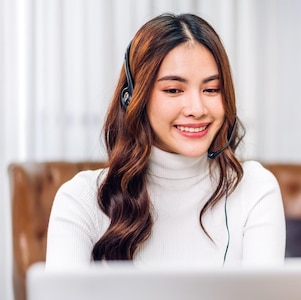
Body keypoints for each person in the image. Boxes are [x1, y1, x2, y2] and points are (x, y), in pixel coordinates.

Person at [46, 13, 286, 267]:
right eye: (174, 90)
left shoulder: (254, 189)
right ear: (134, 99)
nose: (197, 108)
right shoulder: (82, 199)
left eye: (211, 89)